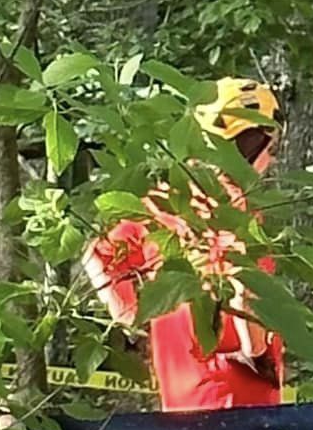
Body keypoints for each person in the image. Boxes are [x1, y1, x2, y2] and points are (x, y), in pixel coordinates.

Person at [85, 77, 288, 412]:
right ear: (248, 147)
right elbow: (244, 292)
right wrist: (257, 352)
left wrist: (133, 314)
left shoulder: (163, 202)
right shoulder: (238, 216)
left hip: (180, 397)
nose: (273, 161)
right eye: (271, 149)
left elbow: (97, 254)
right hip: (239, 402)